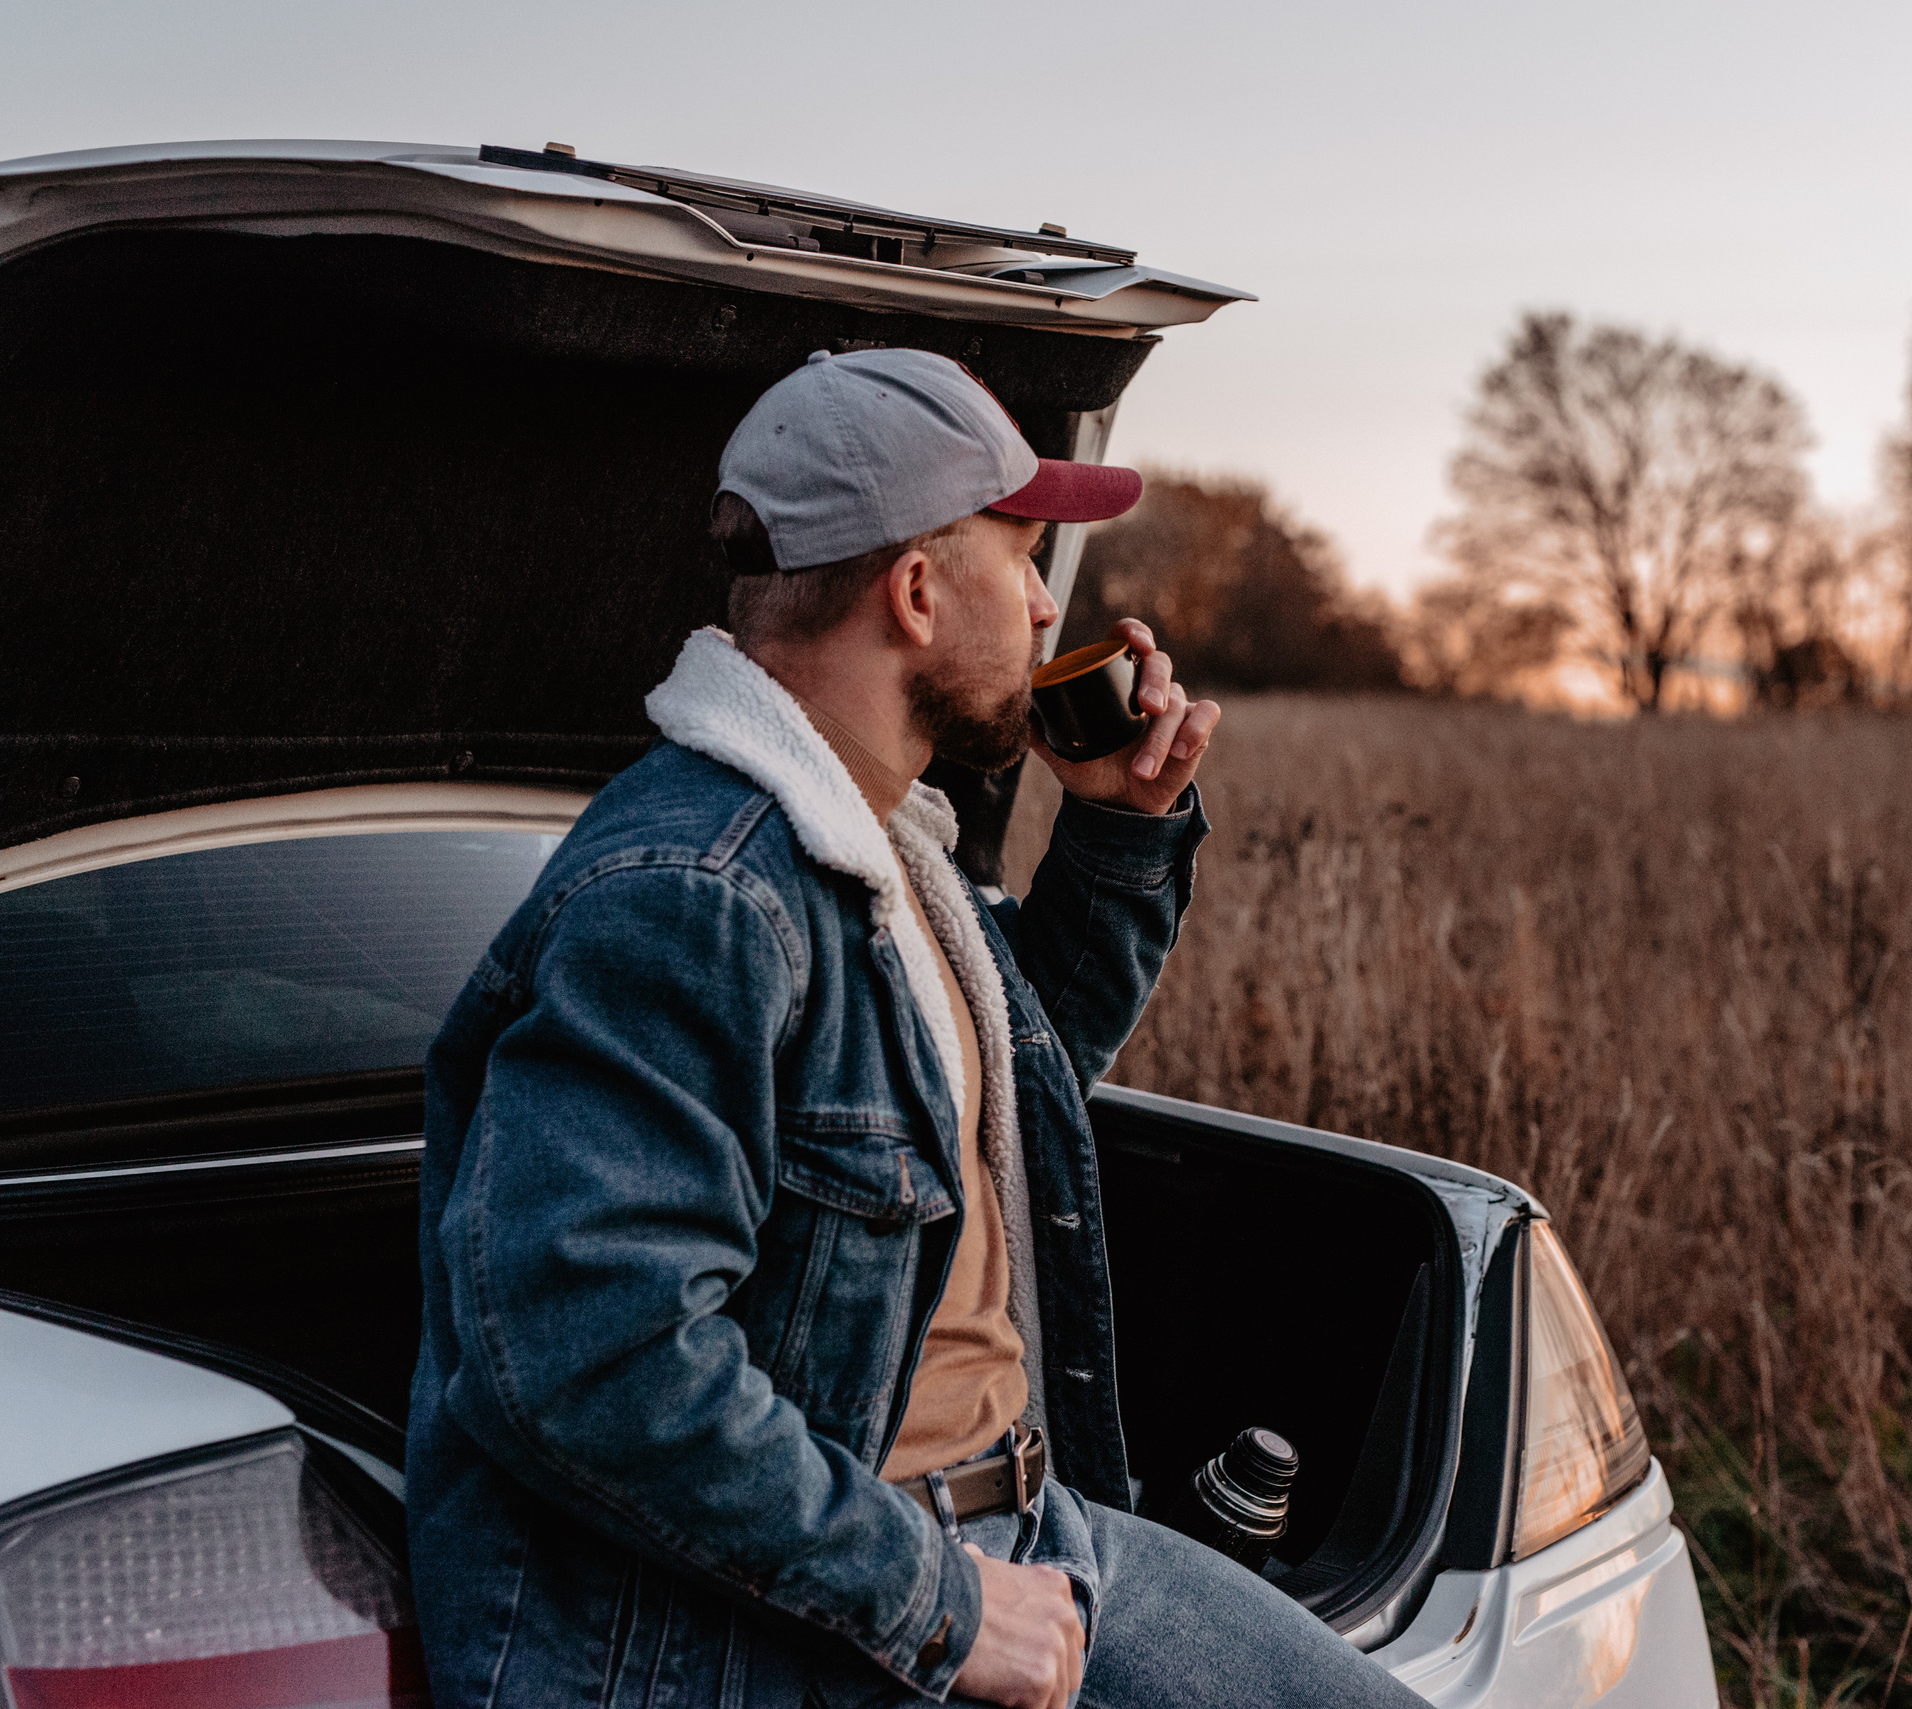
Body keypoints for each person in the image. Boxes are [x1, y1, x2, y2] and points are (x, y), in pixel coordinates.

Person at [405, 349, 1430, 1708]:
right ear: (918, 593)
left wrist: (1117, 831)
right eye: (1023, 560)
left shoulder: (886, 850)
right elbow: (591, 1358)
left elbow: (996, 1092)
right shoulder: (696, 898)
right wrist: (946, 1606)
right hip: (804, 1612)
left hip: (1026, 1528)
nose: (1048, 605)